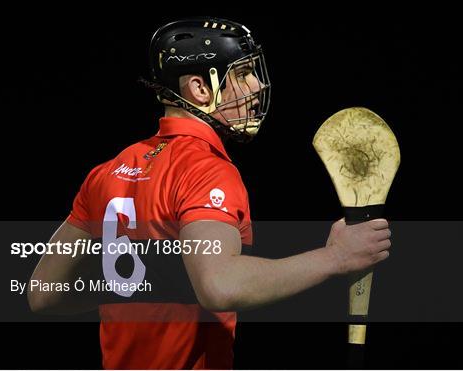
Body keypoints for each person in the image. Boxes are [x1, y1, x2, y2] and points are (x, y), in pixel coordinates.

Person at [28, 17, 391, 369]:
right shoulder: (206, 169)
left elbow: (43, 293)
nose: (256, 88)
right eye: (242, 75)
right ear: (200, 89)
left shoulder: (108, 171)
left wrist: (150, 284)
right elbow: (220, 286)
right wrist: (337, 257)